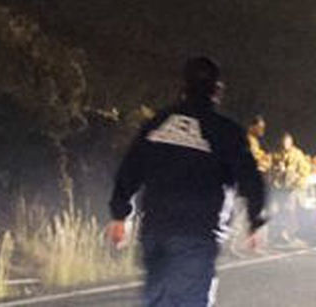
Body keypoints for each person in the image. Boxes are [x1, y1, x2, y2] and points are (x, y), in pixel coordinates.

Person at [108, 56, 266, 307]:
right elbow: (250, 178)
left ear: (183, 86)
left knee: (158, 301)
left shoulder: (158, 123)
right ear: (217, 90)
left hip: (156, 232)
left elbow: (130, 169)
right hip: (198, 233)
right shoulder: (225, 131)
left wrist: (120, 216)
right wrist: (255, 220)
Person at [267, 132, 314, 247]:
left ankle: (290, 236)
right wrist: (276, 170)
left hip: (292, 189)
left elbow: (305, 171)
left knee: (290, 212)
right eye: (283, 142)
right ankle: (279, 236)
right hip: (279, 188)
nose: (285, 145)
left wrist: (293, 178)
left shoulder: (297, 154)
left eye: (287, 142)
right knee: (277, 212)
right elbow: (269, 169)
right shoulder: (276, 154)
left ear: (291, 142)